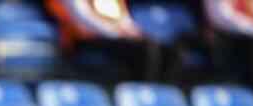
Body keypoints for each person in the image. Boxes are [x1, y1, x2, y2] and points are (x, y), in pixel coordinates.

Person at [44, 0, 178, 83]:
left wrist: (133, 31)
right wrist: (115, 33)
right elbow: (83, 18)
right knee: (144, 50)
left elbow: (123, 17)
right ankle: (141, 88)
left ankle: (161, 93)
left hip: (115, 37)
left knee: (167, 50)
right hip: (83, 40)